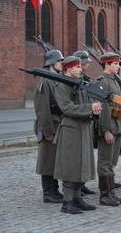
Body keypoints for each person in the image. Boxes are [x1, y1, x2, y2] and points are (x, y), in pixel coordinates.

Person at [54, 56, 101, 214]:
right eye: (77, 67)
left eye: (80, 66)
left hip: (83, 128)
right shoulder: (61, 85)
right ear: (67, 69)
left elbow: (84, 104)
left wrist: (94, 111)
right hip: (71, 130)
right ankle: (67, 202)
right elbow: (67, 108)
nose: (80, 69)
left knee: (83, 163)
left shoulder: (79, 84)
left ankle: (77, 198)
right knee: (71, 165)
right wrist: (90, 107)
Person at [96, 52, 121, 206]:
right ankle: (104, 195)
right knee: (105, 162)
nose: (118, 66)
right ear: (107, 64)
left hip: (118, 125)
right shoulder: (103, 81)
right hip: (109, 127)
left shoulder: (115, 80)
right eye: (115, 63)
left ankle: (112, 193)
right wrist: (106, 130)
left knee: (112, 162)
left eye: (118, 63)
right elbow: (103, 107)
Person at [34, 50, 64, 204]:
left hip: (56, 123)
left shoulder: (54, 79)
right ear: (52, 63)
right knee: (47, 160)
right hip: (48, 125)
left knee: (53, 160)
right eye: (59, 61)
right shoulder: (45, 81)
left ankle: (55, 189)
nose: (61, 64)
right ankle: (48, 193)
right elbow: (42, 108)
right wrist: (47, 131)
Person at [73, 50, 96, 196]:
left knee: (86, 156)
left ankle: (82, 184)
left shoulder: (84, 78)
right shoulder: (72, 80)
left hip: (87, 119)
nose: (87, 64)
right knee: (76, 158)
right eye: (85, 62)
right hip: (77, 123)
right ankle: (74, 188)